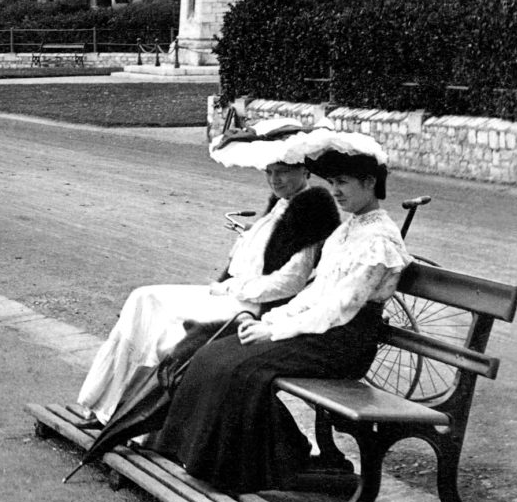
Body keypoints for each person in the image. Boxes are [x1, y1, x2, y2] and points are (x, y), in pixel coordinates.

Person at [150, 131, 410, 494]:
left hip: (343, 342)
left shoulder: (378, 239)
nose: (335, 191)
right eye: (331, 182)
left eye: (344, 183)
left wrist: (273, 332)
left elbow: (338, 308)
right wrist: (270, 320)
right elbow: (315, 293)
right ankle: (237, 456)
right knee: (214, 354)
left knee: (239, 366)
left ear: (370, 183)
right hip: (321, 331)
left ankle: (250, 466)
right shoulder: (348, 230)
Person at [74, 120, 340, 426]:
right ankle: (103, 403)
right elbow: (252, 256)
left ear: (304, 171)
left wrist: (238, 289)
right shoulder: (281, 204)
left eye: (282, 171)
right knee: (142, 298)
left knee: (163, 324)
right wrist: (229, 276)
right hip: (233, 292)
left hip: (253, 307)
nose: (274, 179)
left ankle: (126, 417)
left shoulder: (312, 208)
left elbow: (291, 281)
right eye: (269, 172)